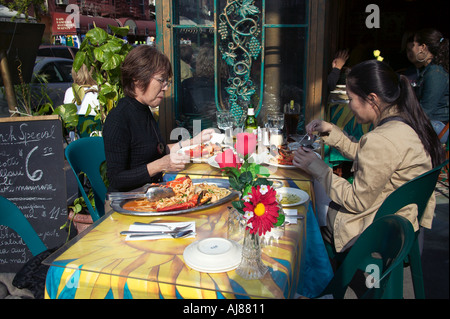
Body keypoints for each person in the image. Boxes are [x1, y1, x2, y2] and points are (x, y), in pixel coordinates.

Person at [292, 60, 445, 253]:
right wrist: (331, 131)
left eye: (350, 99)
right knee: (322, 196)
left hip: (380, 229)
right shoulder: (405, 124)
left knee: (310, 212)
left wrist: (318, 168)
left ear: (372, 99)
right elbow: (372, 159)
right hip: (402, 221)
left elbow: (357, 201)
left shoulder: (382, 139)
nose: (349, 105)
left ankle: (319, 277)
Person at [103, 45, 214, 192]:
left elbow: (159, 150)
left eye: (166, 82)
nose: (165, 87)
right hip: (130, 201)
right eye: (161, 80)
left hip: (152, 192)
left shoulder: (143, 109)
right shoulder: (119, 118)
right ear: (137, 79)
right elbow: (116, 179)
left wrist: (194, 141)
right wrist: (161, 165)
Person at [411, 28, 449, 143]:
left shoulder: (435, 73)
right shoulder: (429, 70)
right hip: (432, 123)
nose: (412, 49)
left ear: (422, 47)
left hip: (437, 125)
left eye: (414, 45)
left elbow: (426, 110)